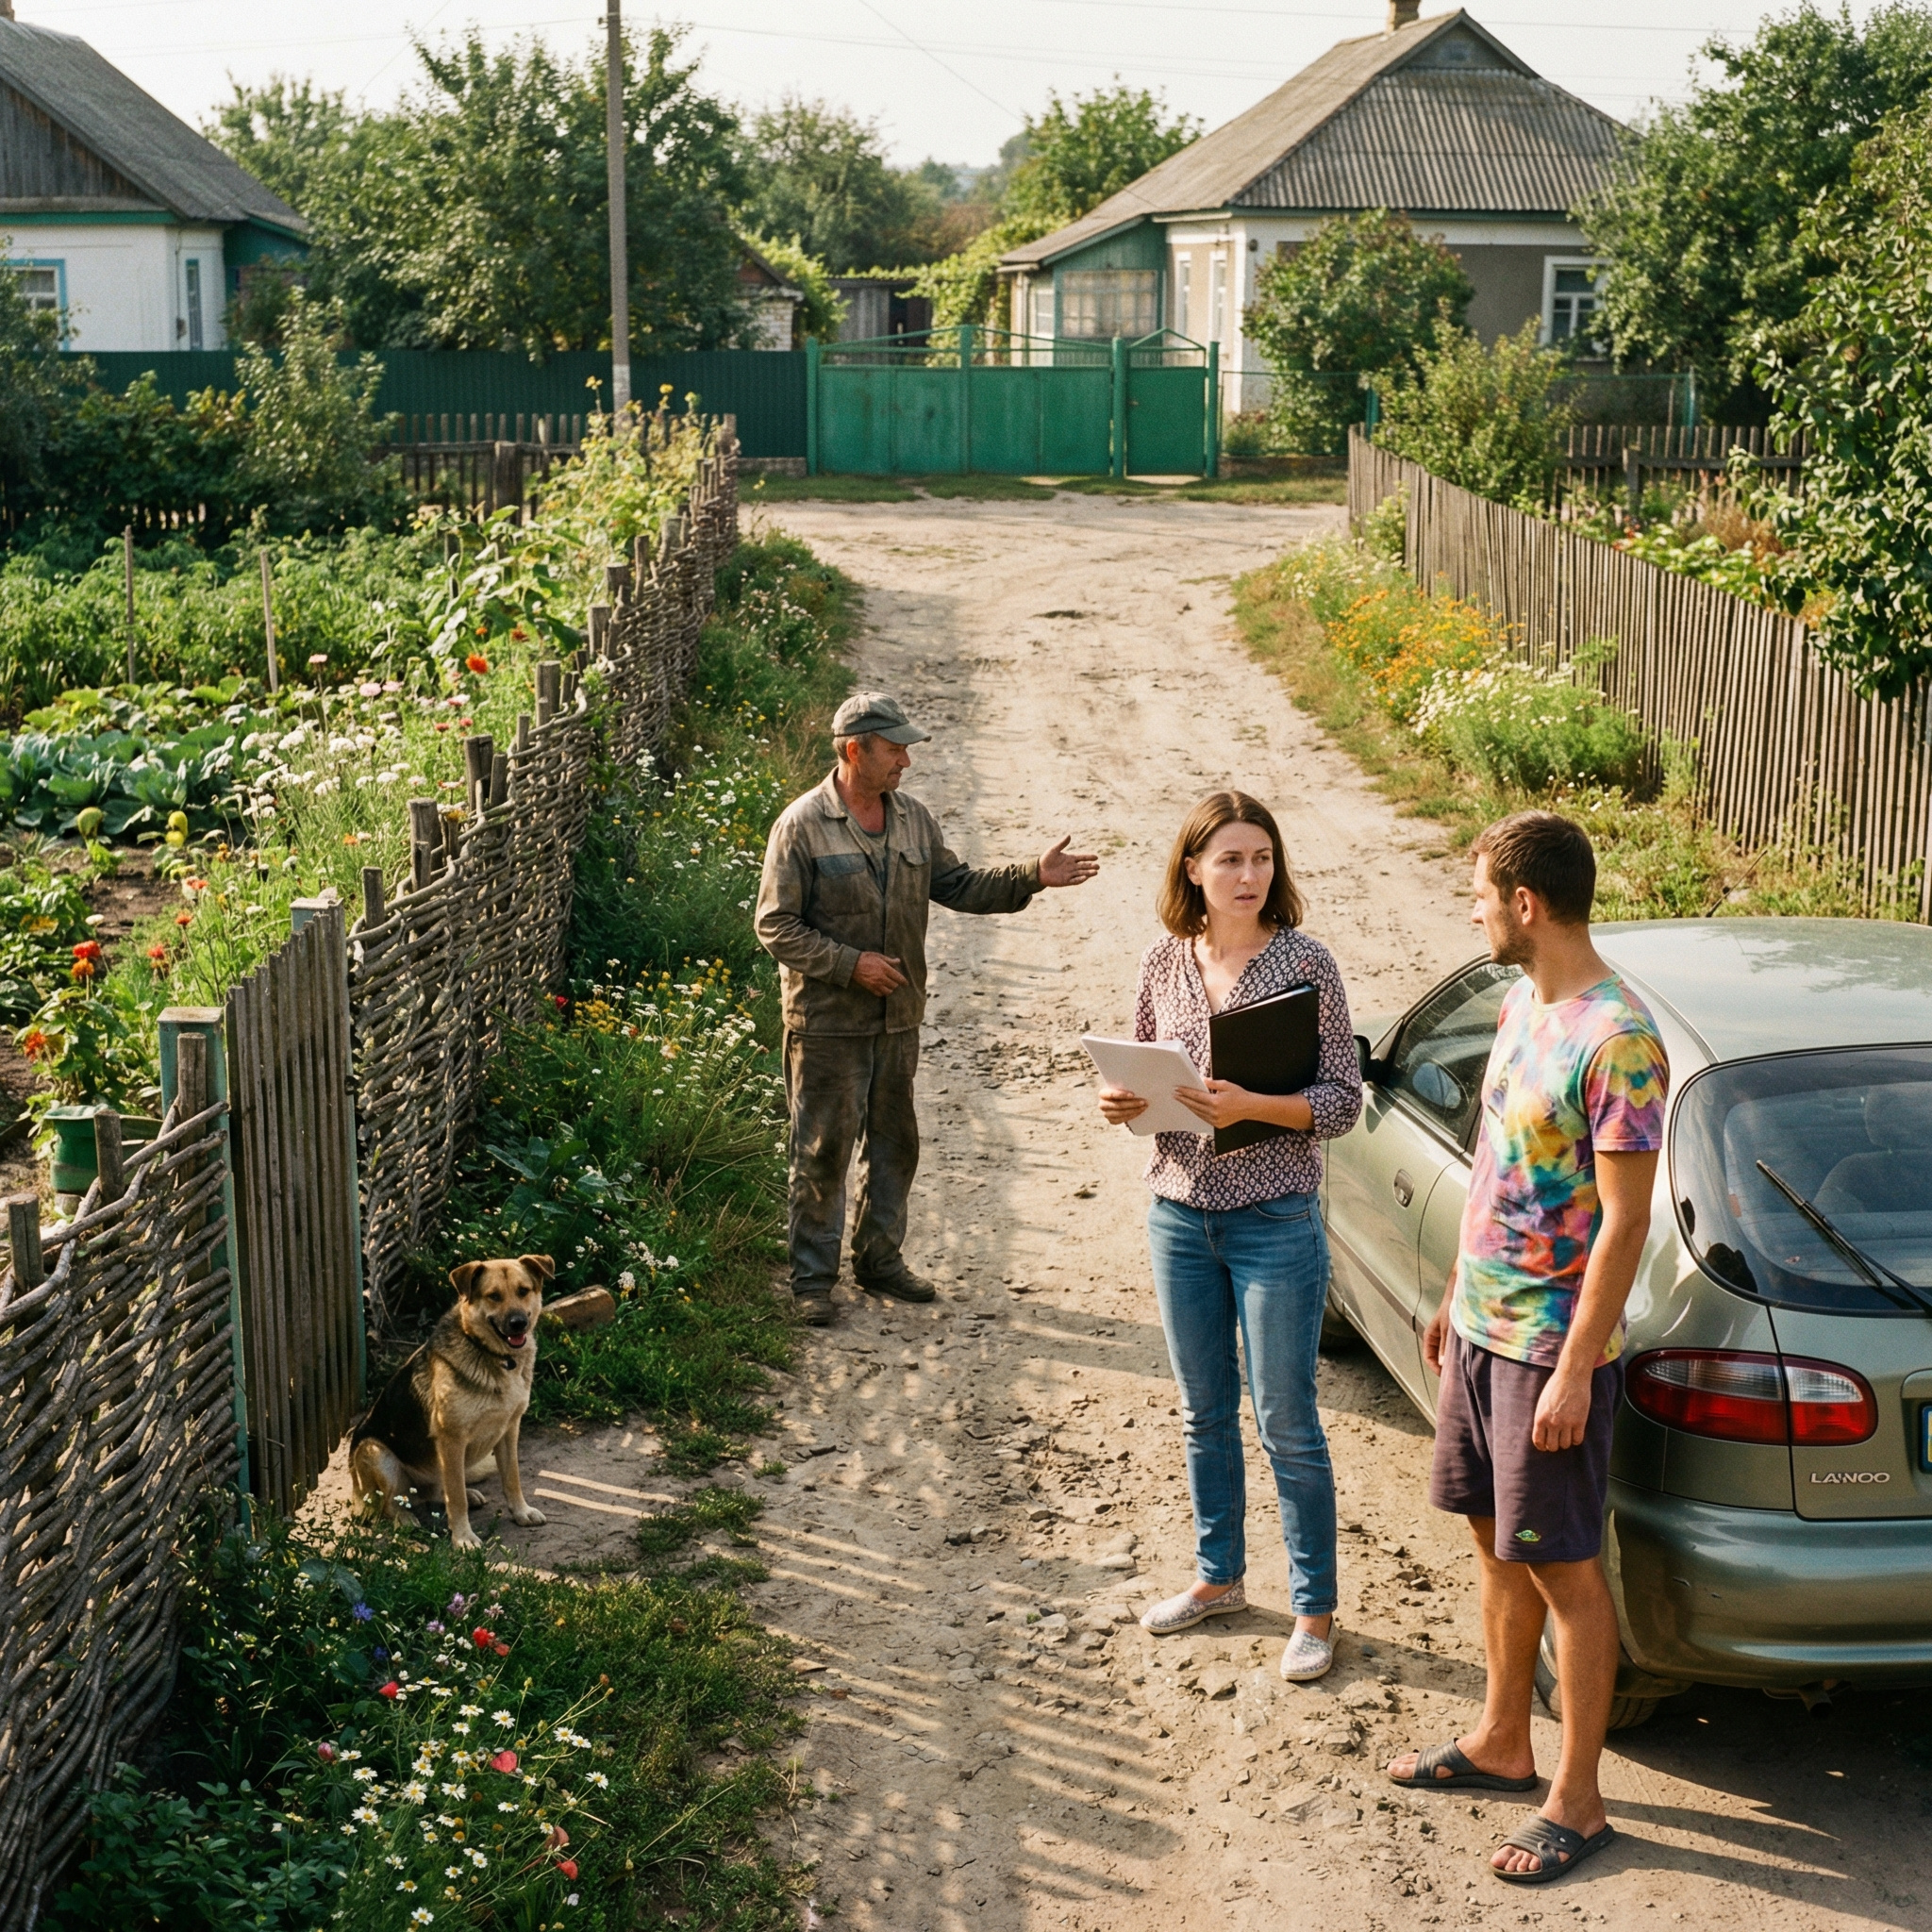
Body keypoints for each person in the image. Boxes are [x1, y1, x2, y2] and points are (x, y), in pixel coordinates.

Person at [1386, 811, 1667, 1888]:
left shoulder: (1616, 1041)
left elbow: (1624, 1222)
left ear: (1524, 903)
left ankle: (1579, 1798)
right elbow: (1500, 1161)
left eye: (1479, 891)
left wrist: (1568, 1363)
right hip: (1480, 1330)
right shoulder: (1518, 1002)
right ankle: (1503, 1737)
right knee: (1491, 1539)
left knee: (1564, 1568)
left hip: (1550, 1347)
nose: (1470, 907)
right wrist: (1456, 1293)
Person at [1096, 791, 1362, 1683]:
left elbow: (1342, 1101)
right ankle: (1219, 1581)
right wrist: (1119, 1102)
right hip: (1177, 1212)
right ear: (1193, 871)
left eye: (1261, 858)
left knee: (1286, 1420)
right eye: (1231, 861)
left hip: (1274, 1220)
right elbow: (1137, 1070)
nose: (1250, 876)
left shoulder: (1306, 964)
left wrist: (1255, 1107)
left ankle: (1314, 1610)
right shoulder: (1162, 961)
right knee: (1201, 1413)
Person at [756, 691, 1098, 1324]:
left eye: (906, 750)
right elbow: (775, 925)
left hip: (897, 1021)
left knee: (894, 1144)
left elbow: (958, 886)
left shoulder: (912, 819)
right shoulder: (802, 825)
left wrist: (1031, 875)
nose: (906, 762)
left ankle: (879, 1260)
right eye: (895, 750)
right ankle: (811, 1282)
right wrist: (851, 964)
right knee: (823, 1148)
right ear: (855, 750)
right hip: (827, 1024)